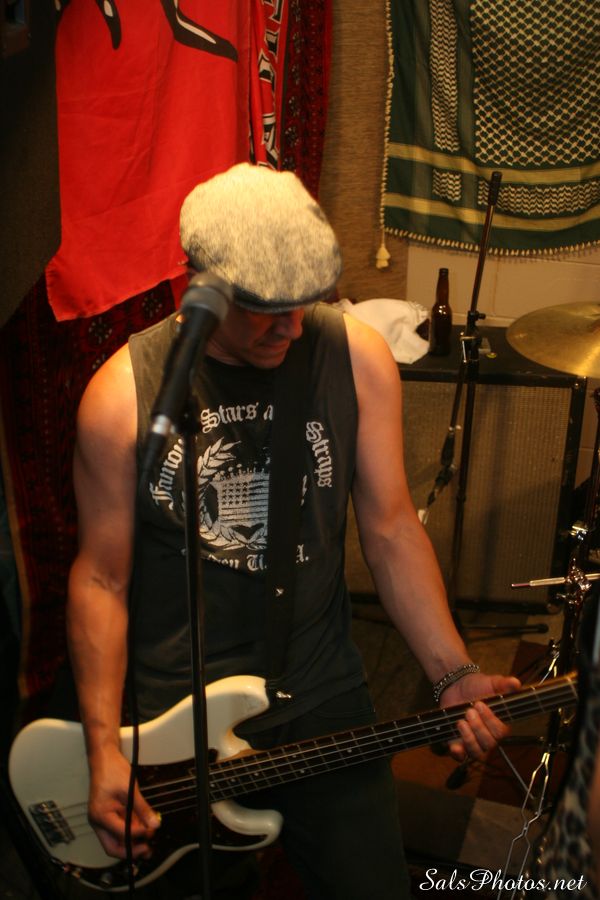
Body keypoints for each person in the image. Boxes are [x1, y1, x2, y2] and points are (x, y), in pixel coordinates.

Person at [66, 162, 520, 900]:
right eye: (265, 310)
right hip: (174, 712)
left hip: (319, 688)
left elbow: (391, 528)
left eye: (303, 303)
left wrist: (453, 671)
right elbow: (101, 578)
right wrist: (101, 749)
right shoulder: (121, 399)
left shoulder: (356, 359)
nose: (291, 326)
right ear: (200, 288)